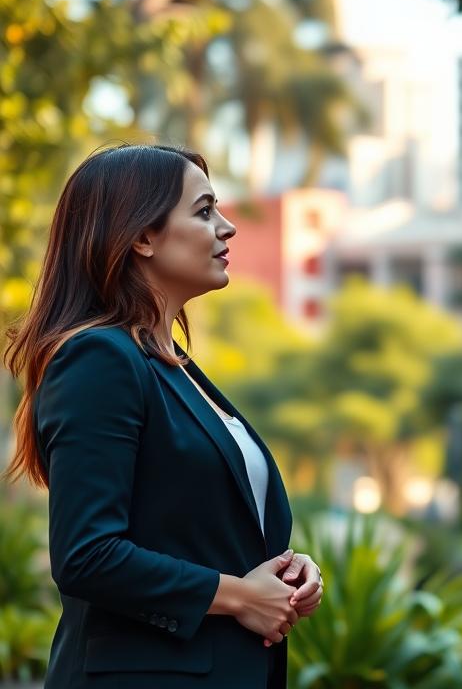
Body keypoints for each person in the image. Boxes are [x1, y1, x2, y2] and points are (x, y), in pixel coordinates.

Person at [4, 144, 324, 688]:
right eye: (203, 211)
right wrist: (239, 596)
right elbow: (87, 554)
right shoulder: (100, 359)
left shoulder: (176, 371)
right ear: (142, 237)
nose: (227, 228)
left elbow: (200, 533)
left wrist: (286, 572)